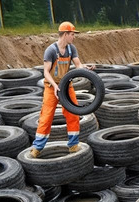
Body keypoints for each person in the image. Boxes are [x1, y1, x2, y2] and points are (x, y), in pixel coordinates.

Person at [30, 21, 96, 158]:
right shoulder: (51, 50)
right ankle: (37, 147)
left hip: (66, 86)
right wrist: (55, 87)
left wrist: (86, 70)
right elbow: (46, 72)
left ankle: (73, 145)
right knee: (46, 117)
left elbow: (78, 65)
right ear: (65, 34)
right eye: (72, 34)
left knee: (73, 113)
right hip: (51, 87)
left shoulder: (71, 49)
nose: (74, 37)